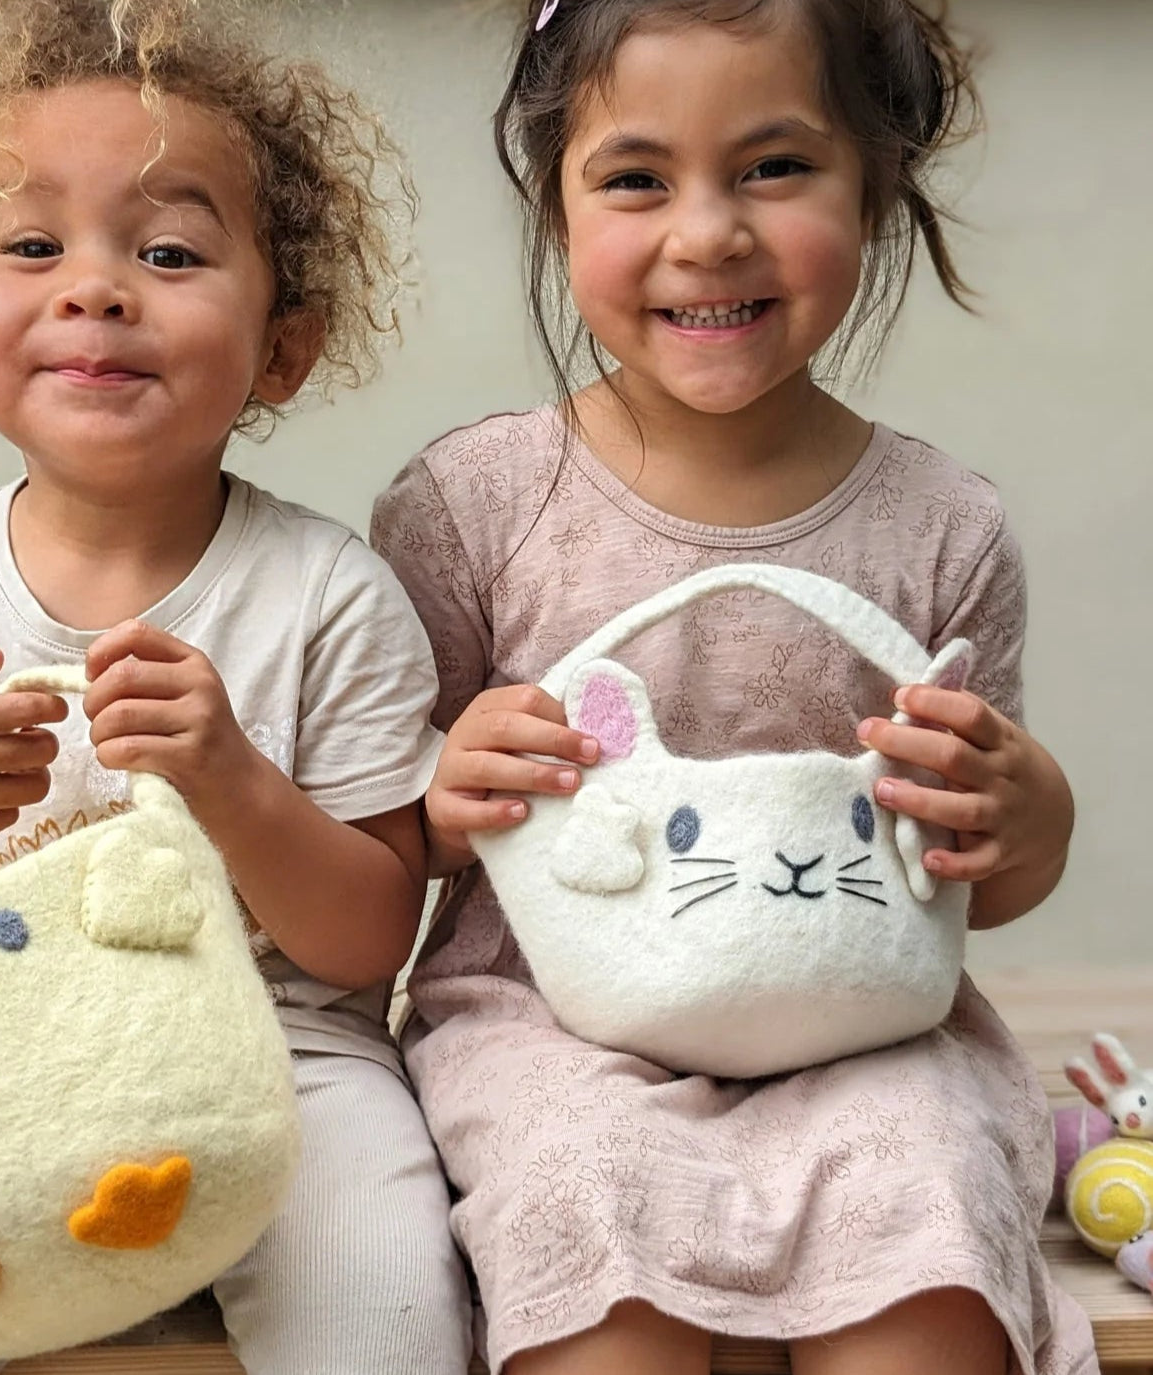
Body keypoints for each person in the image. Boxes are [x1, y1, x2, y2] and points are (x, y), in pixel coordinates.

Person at [371, 1, 1091, 1372]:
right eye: (637, 179)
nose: (707, 233)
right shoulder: (472, 505)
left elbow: (973, 880)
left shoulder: (947, 527)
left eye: (774, 166)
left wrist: (1030, 820)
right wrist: (442, 797)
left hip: (866, 1033)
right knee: (589, 1223)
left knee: (926, 1234)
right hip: (551, 1027)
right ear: (556, 208)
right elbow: (381, 844)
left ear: (875, 187)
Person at [0, 3, 471, 1373]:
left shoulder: (328, 592)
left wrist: (235, 785)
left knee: (387, 1295)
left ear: (283, 346)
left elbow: (367, 941)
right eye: (33, 246)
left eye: (168, 252)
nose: (94, 288)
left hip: (277, 1053)